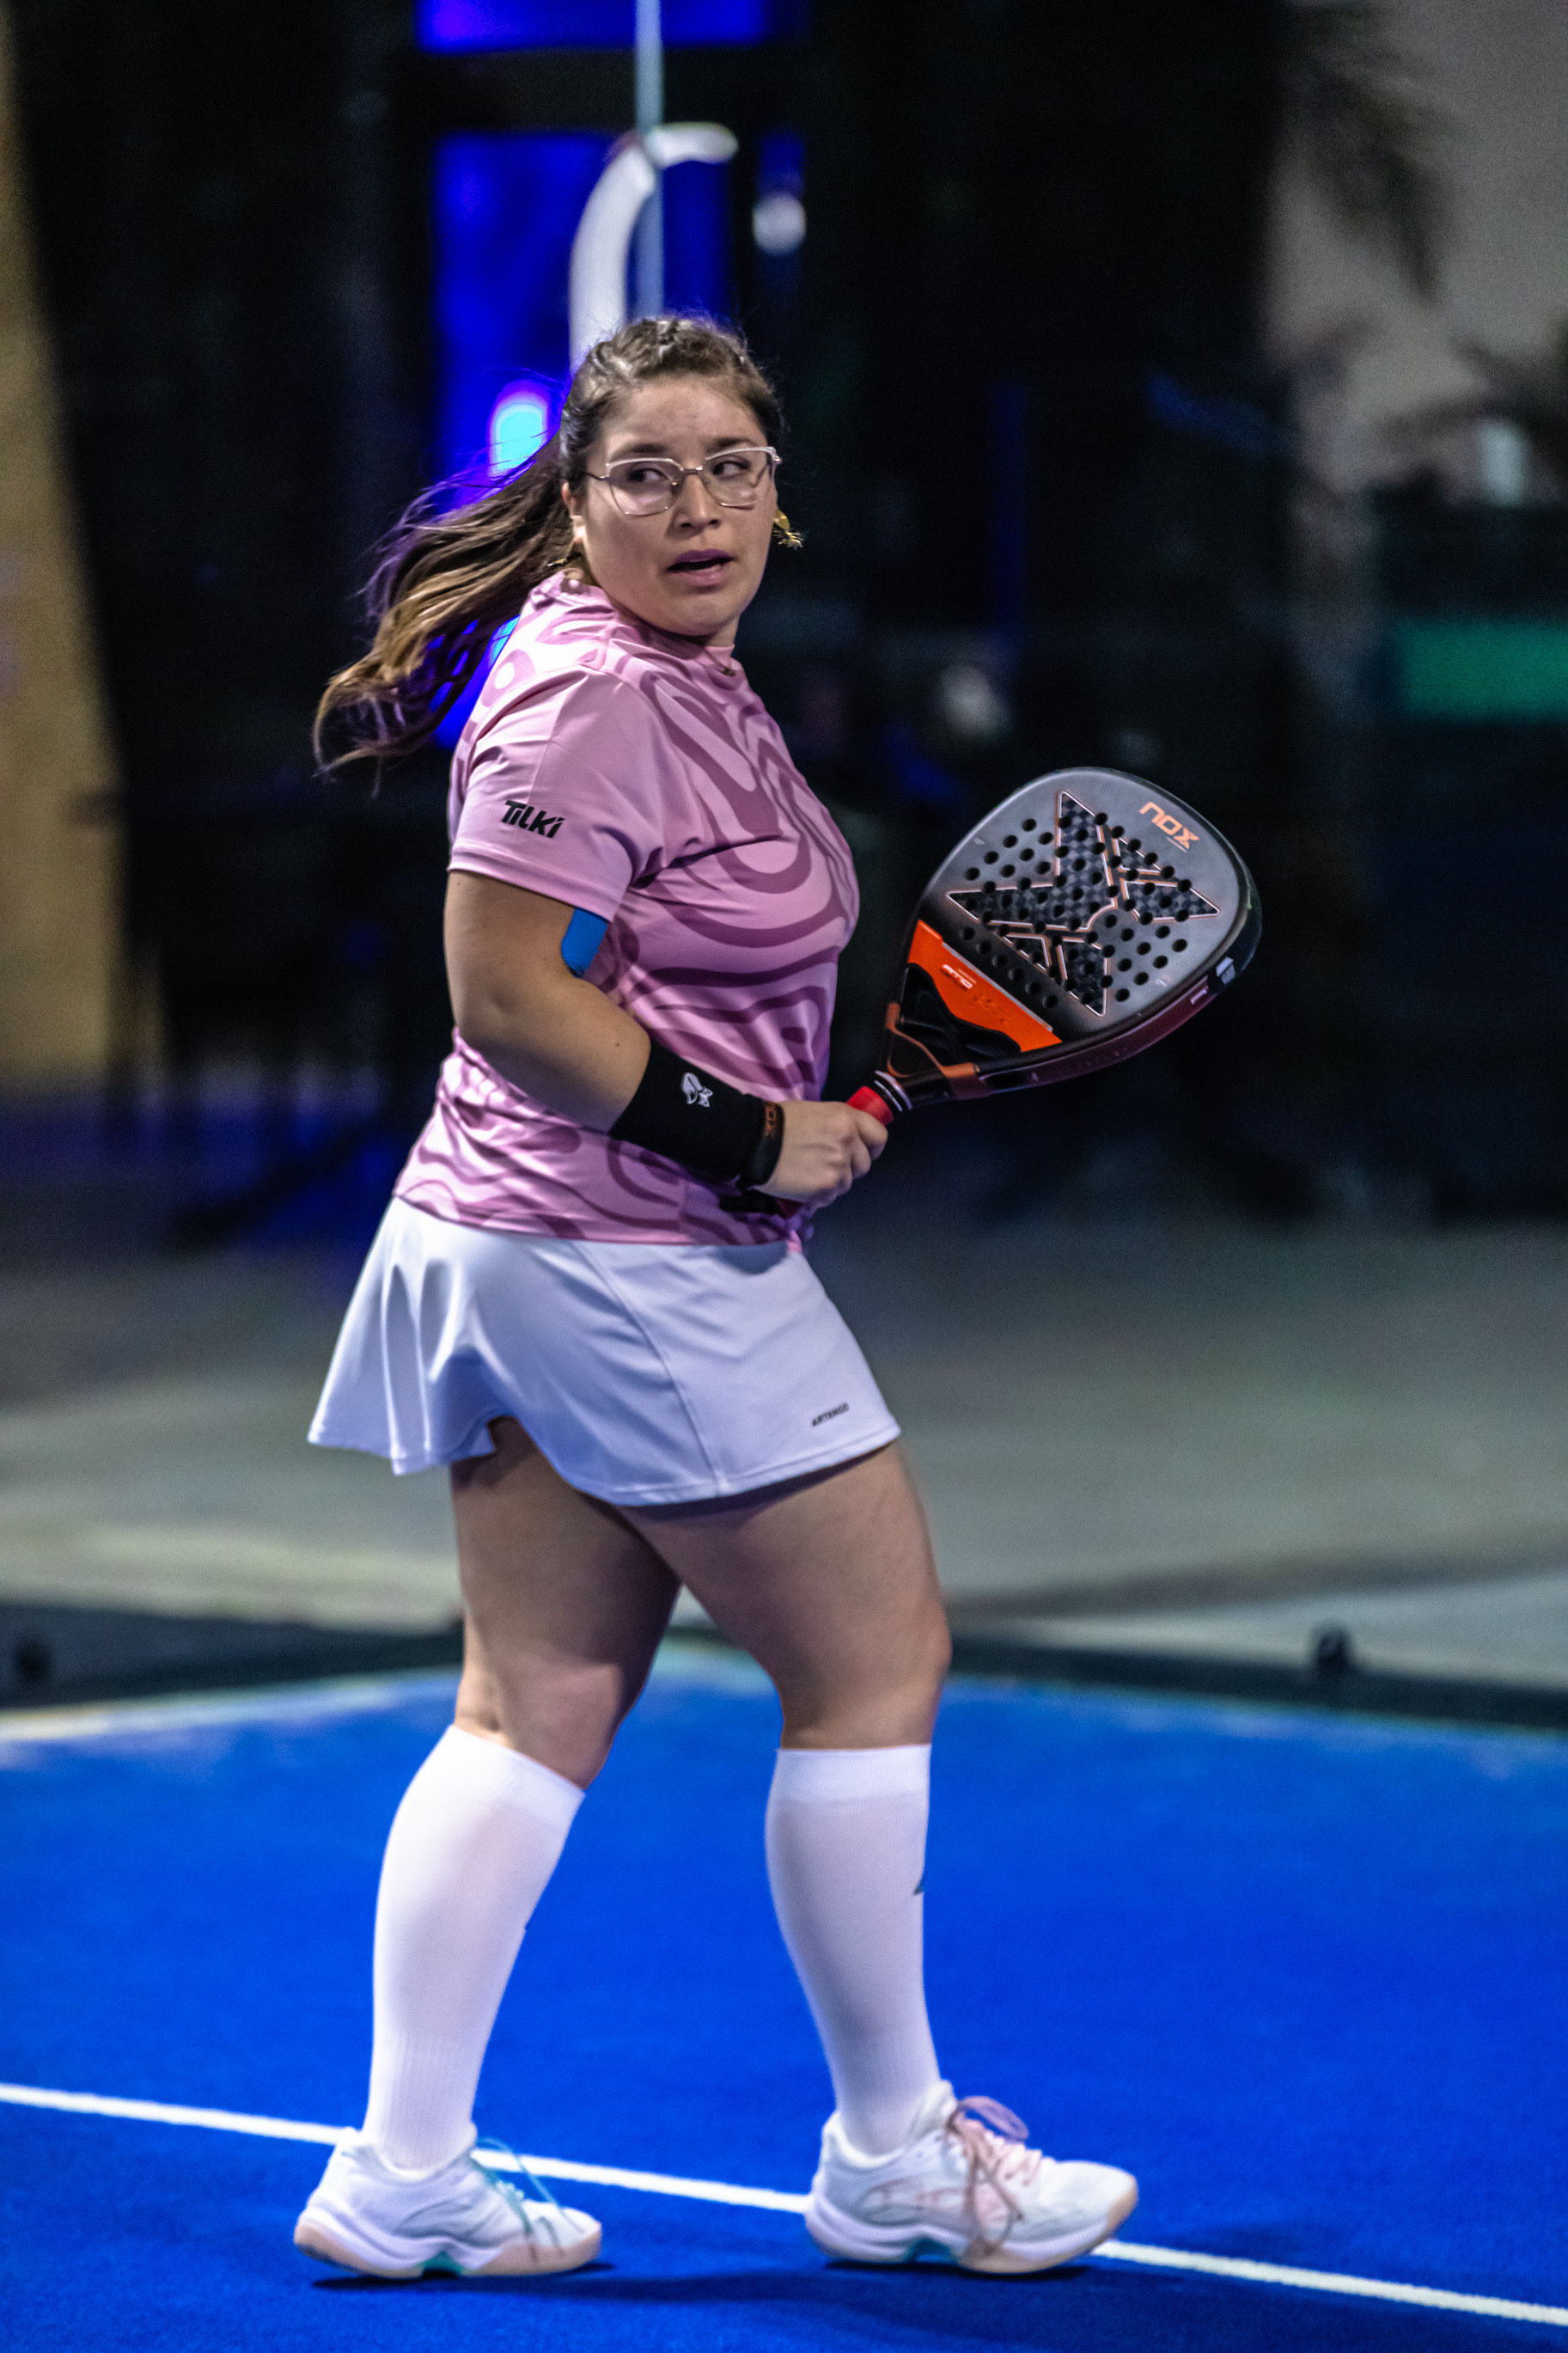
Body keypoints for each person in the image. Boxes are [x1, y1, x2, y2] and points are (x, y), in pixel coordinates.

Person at [293, 315, 1137, 2283]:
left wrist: (765, 1119)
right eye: (648, 473)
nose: (698, 507)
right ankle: (895, 2154)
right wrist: (746, 1134)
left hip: (528, 1241)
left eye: (732, 468)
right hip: (623, 1257)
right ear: (575, 502)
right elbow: (506, 991)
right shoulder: (590, 696)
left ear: (781, 497)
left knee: (535, 1700)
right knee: (873, 1660)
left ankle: (400, 2172)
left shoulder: (686, 671)